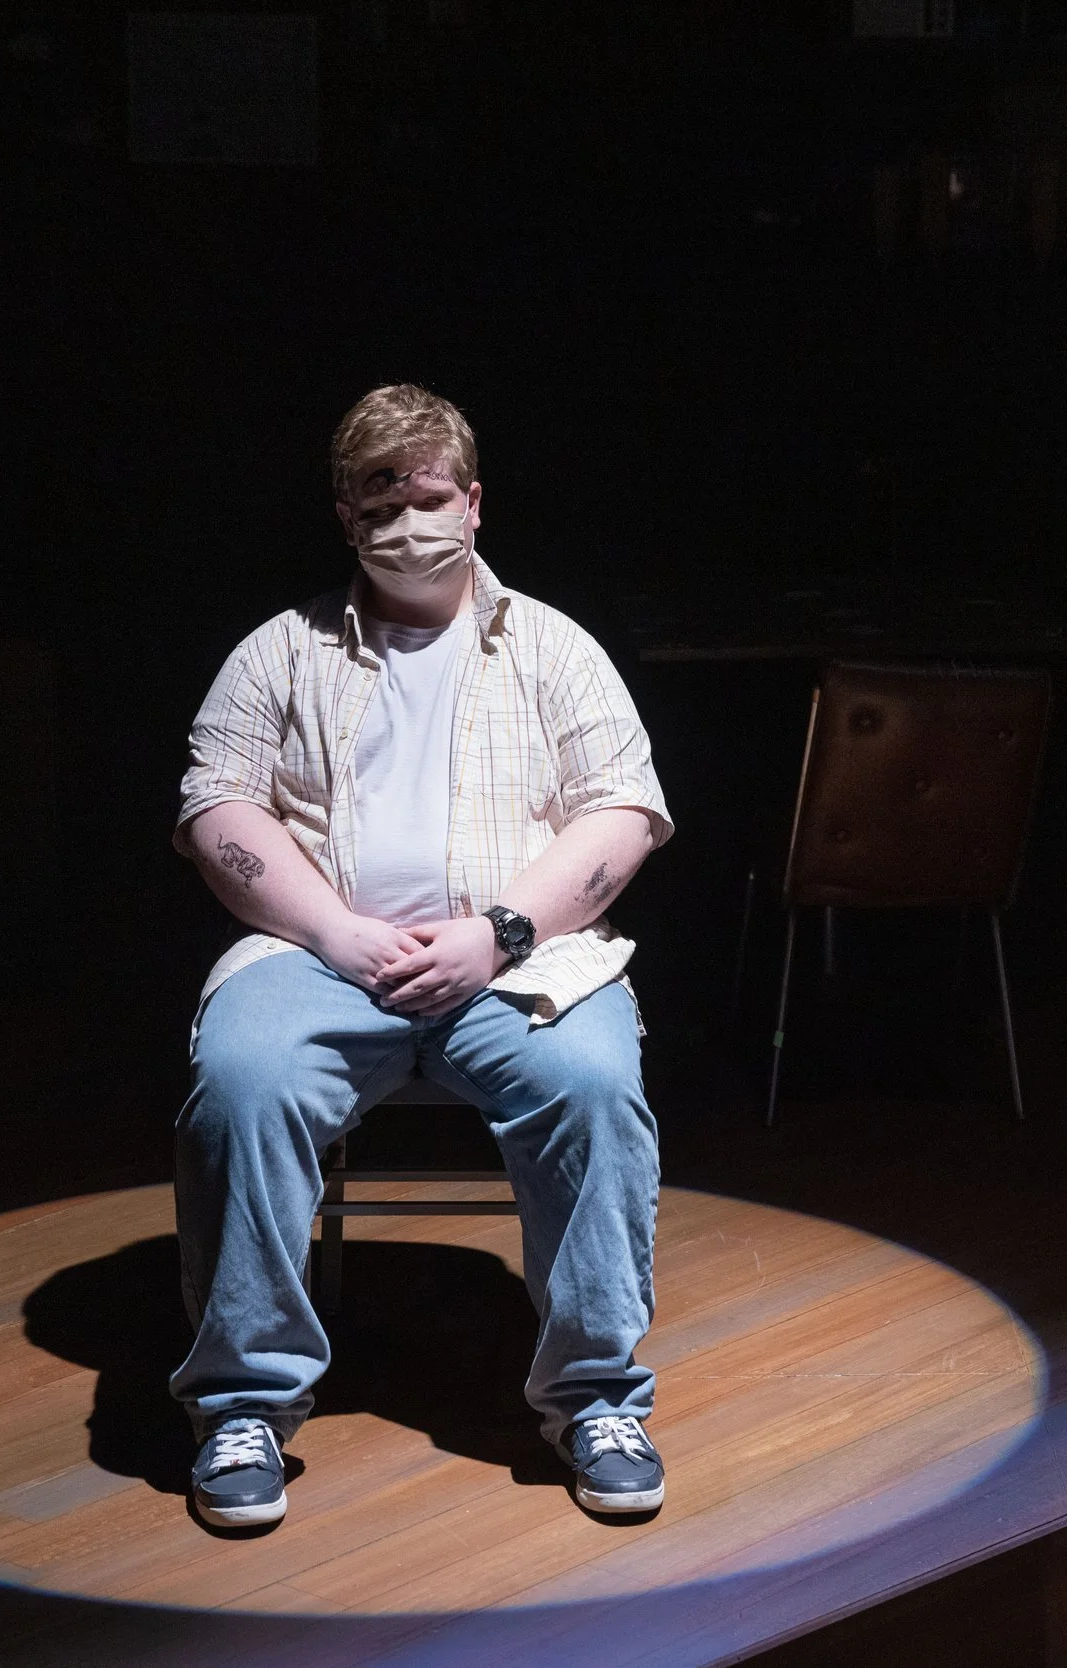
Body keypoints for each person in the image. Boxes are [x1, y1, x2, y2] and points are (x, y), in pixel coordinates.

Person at [167, 383, 674, 1528]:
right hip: (317, 957)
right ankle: (242, 1405)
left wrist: (497, 934)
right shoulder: (279, 652)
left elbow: (623, 811)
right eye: (379, 501)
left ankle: (598, 1397)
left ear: (473, 503)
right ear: (345, 516)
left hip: (519, 959)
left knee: (595, 1084)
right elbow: (216, 807)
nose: (407, 522)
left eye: (429, 497)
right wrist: (337, 933)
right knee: (241, 1083)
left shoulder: (553, 649)